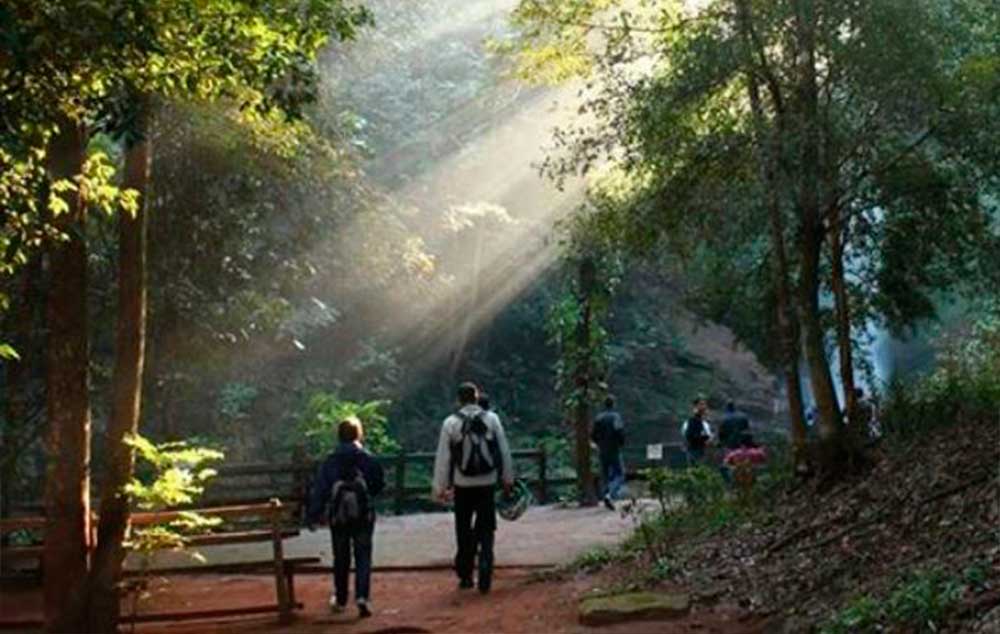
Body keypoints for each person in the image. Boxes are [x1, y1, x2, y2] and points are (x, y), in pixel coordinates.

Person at [432, 382, 514, 594]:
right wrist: (507, 478)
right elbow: (503, 450)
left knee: (463, 528)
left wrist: (440, 487)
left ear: (459, 400)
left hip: (463, 484)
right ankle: (486, 565)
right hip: (487, 482)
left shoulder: (450, 423)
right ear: (477, 398)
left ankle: (466, 574)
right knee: (487, 527)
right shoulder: (492, 419)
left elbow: (444, 458)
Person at [306, 417, 385, 618]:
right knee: (363, 556)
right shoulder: (367, 458)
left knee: (341, 557)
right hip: (363, 515)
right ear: (358, 434)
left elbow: (321, 489)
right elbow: (378, 485)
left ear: (339, 436)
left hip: (338, 516)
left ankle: (341, 598)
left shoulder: (331, 460)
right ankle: (362, 597)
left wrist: (313, 515)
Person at [591, 395, 626, 511]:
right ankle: (610, 494)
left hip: (602, 450)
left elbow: (593, 435)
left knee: (605, 475)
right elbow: (619, 431)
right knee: (620, 474)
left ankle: (606, 494)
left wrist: (599, 444)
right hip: (614, 449)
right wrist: (621, 443)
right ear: (614, 404)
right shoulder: (616, 417)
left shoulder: (598, 418)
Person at [680, 396, 713, 465]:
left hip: (705, 451)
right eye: (701, 404)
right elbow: (688, 435)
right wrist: (705, 439)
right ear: (695, 407)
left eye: (705, 404)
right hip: (696, 451)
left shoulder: (706, 421)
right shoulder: (691, 422)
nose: (704, 406)